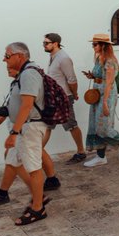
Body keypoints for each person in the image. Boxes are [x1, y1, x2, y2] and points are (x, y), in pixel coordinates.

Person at [0, 43, 51, 225]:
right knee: (12, 160)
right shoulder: (24, 74)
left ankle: (38, 209)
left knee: (34, 169)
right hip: (23, 127)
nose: (4, 59)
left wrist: (14, 132)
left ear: (20, 56)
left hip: (28, 128)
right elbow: (14, 105)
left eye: (7, 55)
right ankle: (35, 197)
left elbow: (27, 105)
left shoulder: (29, 74)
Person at [83, 33, 119, 166]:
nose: (93, 47)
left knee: (103, 126)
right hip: (98, 93)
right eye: (93, 44)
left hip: (106, 94)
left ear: (103, 46)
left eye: (95, 44)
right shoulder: (99, 58)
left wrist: (105, 102)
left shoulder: (110, 61)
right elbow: (101, 76)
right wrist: (92, 76)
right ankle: (101, 157)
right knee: (95, 125)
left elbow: (109, 82)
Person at [43, 33, 85, 163]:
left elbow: (72, 79)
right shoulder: (53, 56)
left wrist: (75, 93)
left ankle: (81, 152)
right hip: (52, 98)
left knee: (71, 125)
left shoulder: (63, 58)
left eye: (46, 43)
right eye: (43, 43)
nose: (44, 45)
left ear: (55, 43)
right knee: (47, 126)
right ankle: (36, 154)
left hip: (63, 98)